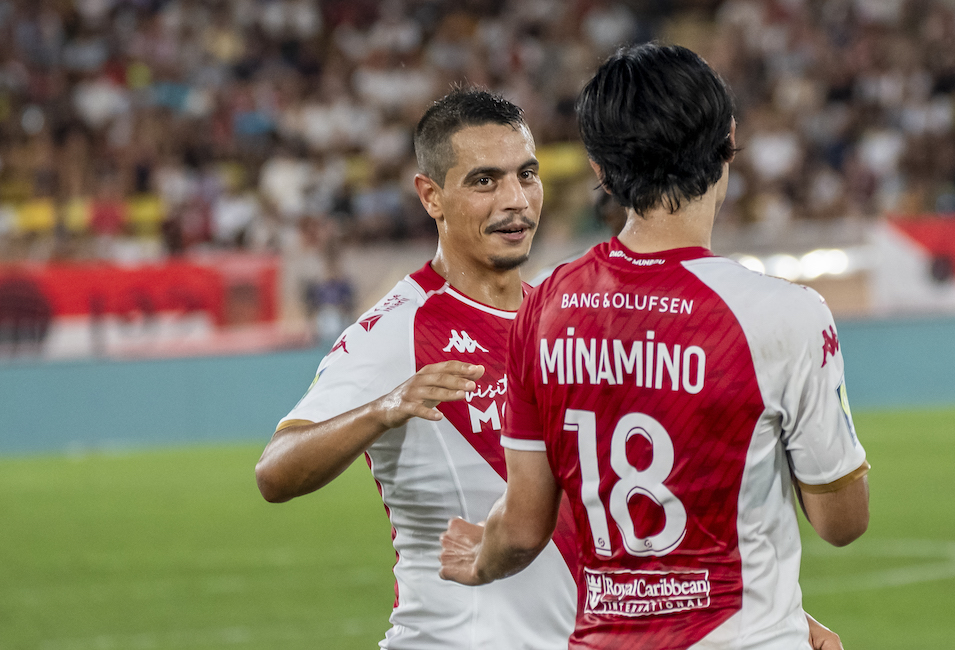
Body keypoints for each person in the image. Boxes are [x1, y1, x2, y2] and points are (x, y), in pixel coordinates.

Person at [256, 88, 845, 649]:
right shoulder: (400, 330)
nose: (515, 199)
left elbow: (615, 508)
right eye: (484, 181)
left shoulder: (564, 320)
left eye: (527, 174)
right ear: (431, 196)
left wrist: (776, 614)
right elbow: (275, 472)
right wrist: (384, 408)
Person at [438, 45, 869, 650]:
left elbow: (523, 525)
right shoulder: (785, 315)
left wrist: (481, 560)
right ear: (729, 140)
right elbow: (842, 523)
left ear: (599, 167)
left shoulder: (546, 305)